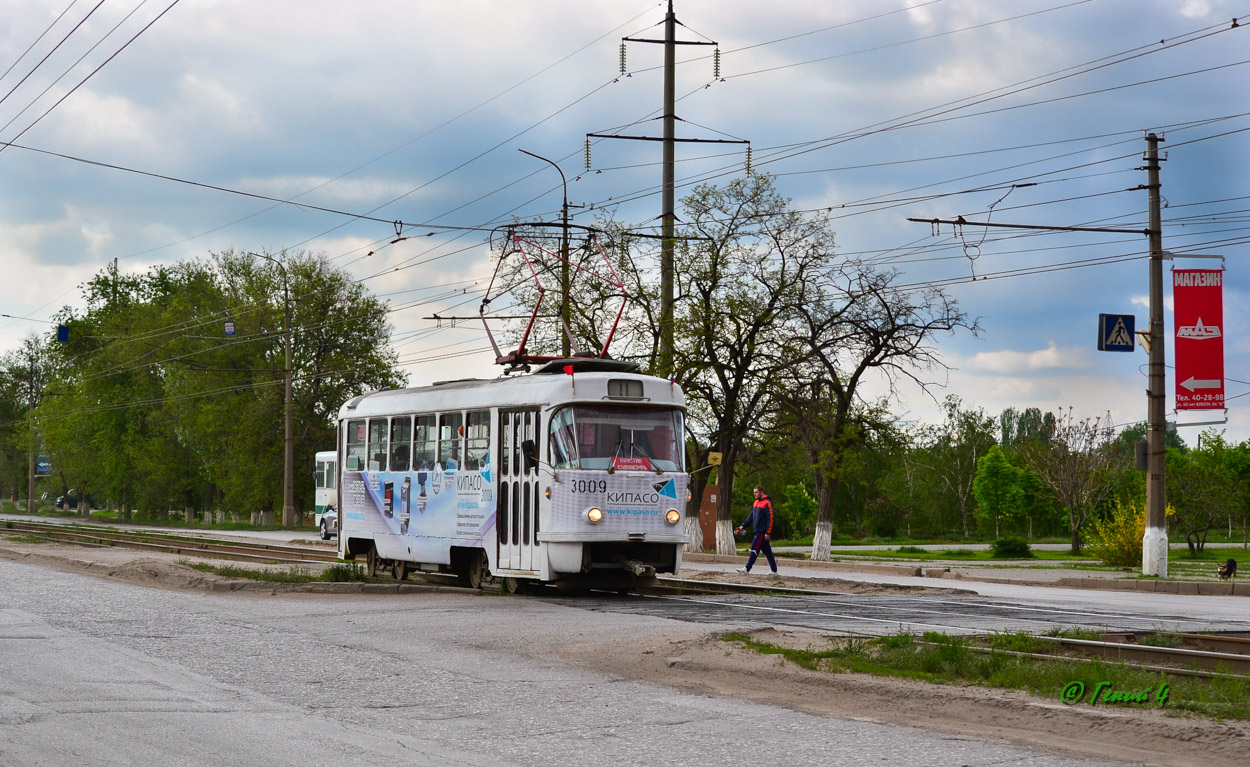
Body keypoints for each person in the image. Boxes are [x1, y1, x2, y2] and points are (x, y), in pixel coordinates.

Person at [735, 485, 778, 575]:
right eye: (754, 492)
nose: (754, 494)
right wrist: (743, 526)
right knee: (767, 551)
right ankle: (774, 571)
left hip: (762, 532)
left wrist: (768, 532)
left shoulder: (767, 503)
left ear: (762, 492)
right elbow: (751, 517)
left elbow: (771, 518)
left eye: (756, 492)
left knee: (754, 548)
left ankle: (747, 569)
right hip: (757, 530)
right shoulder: (756, 503)